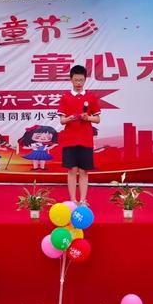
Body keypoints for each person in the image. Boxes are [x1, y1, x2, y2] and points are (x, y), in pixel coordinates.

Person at [57, 65, 101, 205]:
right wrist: (69, 119)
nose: (78, 83)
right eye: (76, 80)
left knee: (83, 171)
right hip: (70, 139)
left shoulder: (91, 97)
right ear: (71, 79)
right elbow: (62, 120)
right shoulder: (65, 97)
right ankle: (73, 200)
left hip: (86, 139)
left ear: (85, 80)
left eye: (81, 80)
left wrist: (87, 117)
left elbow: (97, 119)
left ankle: (82, 200)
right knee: (72, 170)